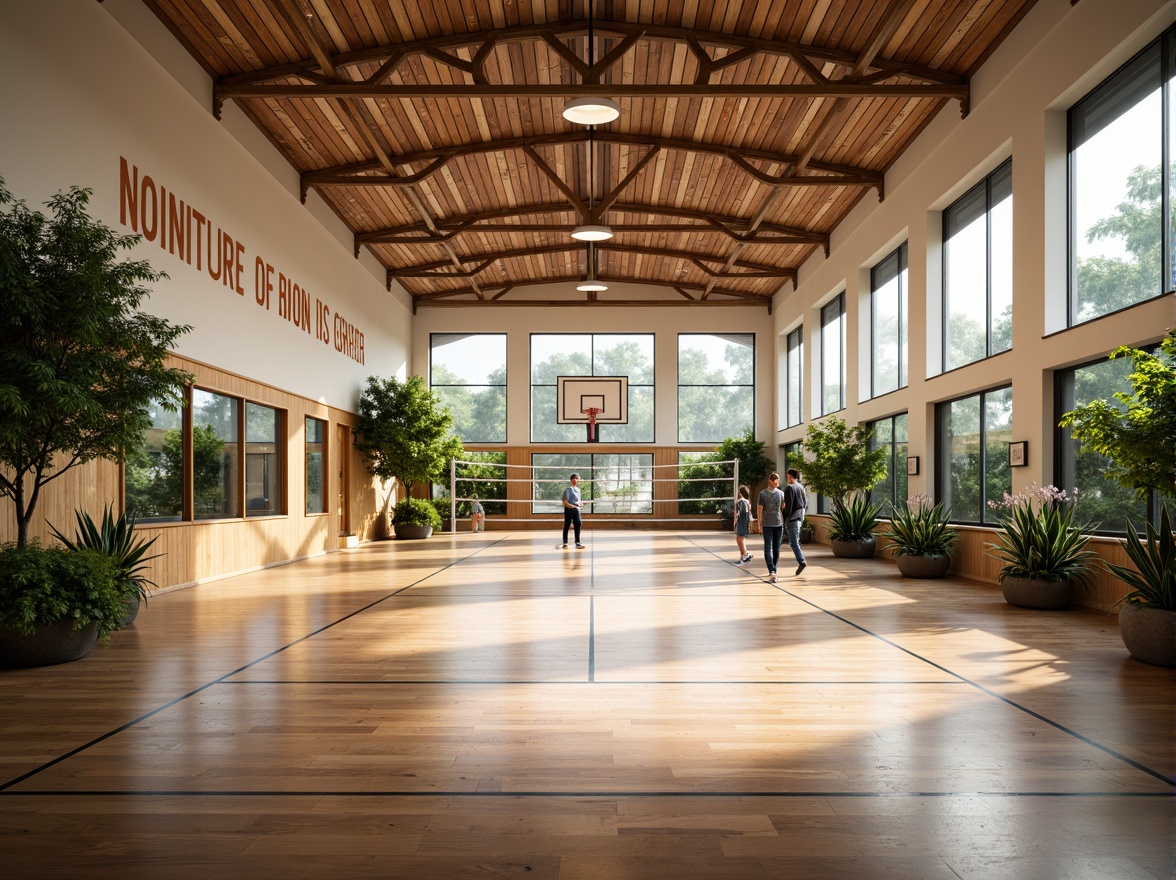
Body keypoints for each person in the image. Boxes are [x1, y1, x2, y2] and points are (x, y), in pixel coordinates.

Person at [754, 472, 785, 582]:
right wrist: (759, 524)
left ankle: (773, 570)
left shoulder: (781, 493)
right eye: (775, 481)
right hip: (767, 524)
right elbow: (759, 510)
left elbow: (783, 507)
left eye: (778, 480)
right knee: (768, 548)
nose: (777, 483)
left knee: (777, 548)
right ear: (770, 481)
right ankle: (771, 570)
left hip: (778, 524)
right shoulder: (762, 494)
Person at [783, 468, 807, 575]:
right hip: (800, 518)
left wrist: (785, 518)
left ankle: (801, 561)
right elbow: (805, 503)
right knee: (796, 541)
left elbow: (788, 505)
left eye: (787, 476)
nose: (787, 478)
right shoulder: (801, 487)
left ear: (790, 476)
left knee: (794, 543)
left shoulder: (790, 488)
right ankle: (801, 561)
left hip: (792, 519)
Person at [561, 473, 585, 549]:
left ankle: (577, 542)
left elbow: (578, 501)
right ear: (571, 480)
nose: (576, 480)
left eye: (577, 479)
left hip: (576, 510)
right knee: (567, 525)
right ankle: (565, 542)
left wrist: (580, 505)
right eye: (575, 479)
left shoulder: (578, 490)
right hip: (569, 510)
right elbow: (564, 501)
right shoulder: (568, 490)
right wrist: (571, 506)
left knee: (578, 524)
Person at [733, 485, 753, 564]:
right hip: (744, 522)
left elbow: (741, 512)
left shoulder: (741, 502)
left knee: (739, 539)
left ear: (741, 493)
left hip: (741, 522)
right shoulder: (747, 502)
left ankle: (744, 555)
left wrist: (736, 516)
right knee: (741, 539)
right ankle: (744, 554)